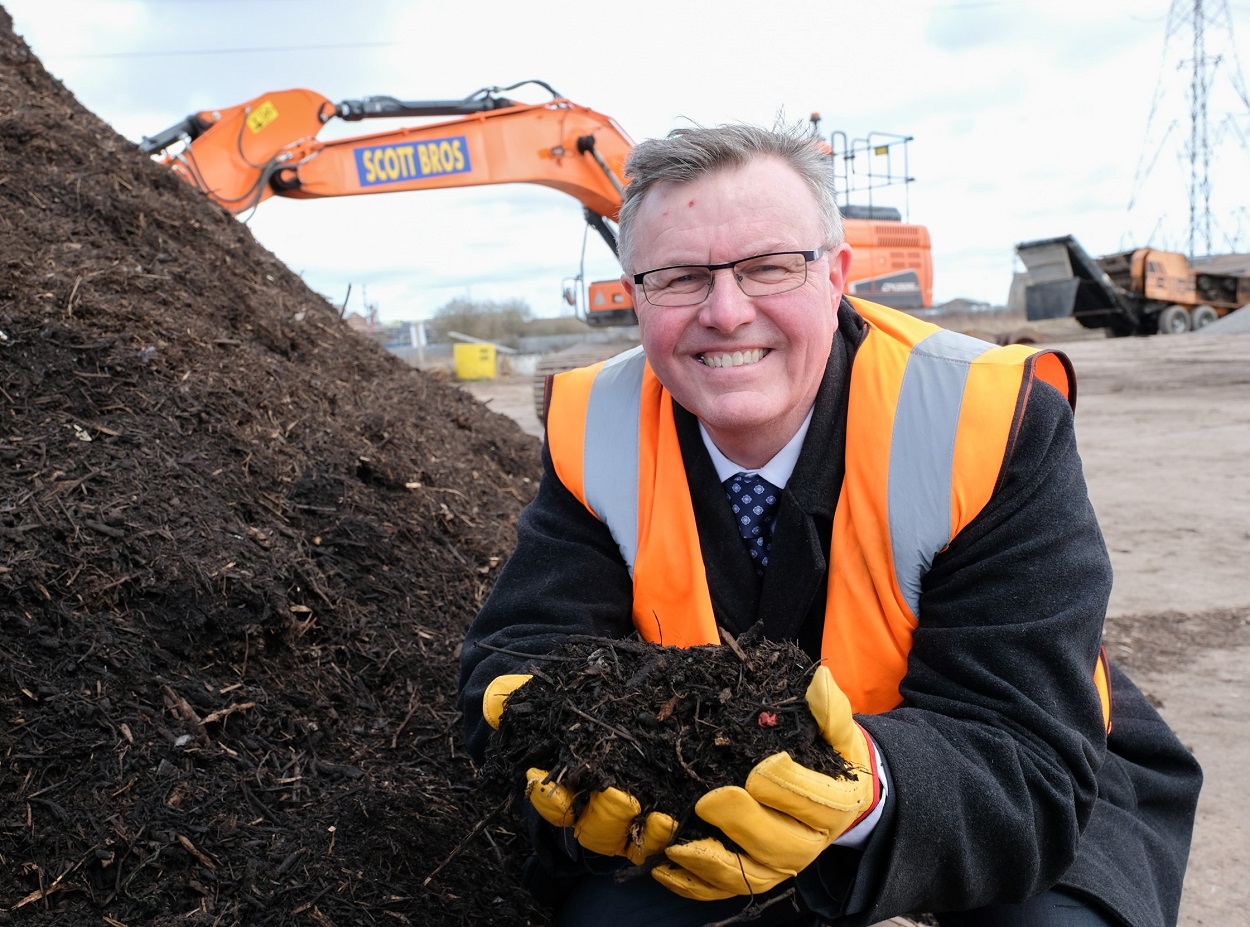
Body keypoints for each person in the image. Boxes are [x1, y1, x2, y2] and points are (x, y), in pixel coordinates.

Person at [456, 123, 1202, 927]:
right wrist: (538, 724)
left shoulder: (984, 420)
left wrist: (864, 794)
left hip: (1011, 770)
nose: (727, 311)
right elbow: (523, 648)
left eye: (770, 267)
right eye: (678, 277)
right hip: (706, 789)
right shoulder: (596, 428)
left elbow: (1022, 745)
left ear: (838, 275)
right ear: (635, 293)